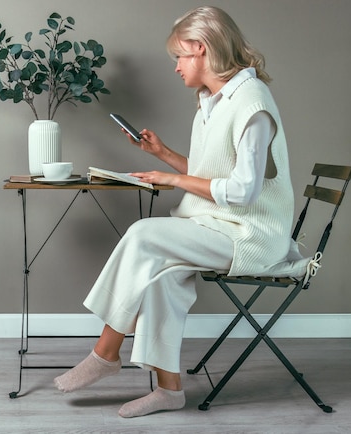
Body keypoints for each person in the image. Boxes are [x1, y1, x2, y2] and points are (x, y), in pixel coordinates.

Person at [54, 5, 295, 418]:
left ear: (201, 49)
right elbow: (212, 174)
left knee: (144, 234)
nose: (177, 67)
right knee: (161, 277)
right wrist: (163, 155)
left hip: (250, 235)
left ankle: (105, 352)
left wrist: (175, 182)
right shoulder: (212, 101)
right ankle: (169, 390)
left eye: (179, 56)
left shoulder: (252, 104)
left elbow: (243, 190)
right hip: (218, 225)